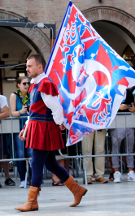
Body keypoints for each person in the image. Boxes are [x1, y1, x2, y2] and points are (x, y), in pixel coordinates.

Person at [15, 54, 87, 212]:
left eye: (30, 66)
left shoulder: (45, 83)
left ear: (39, 67)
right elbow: (34, 111)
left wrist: (60, 123)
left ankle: (32, 201)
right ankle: (77, 189)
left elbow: (55, 107)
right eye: (26, 66)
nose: (27, 69)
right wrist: (26, 128)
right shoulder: (36, 84)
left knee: (36, 163)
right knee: (50, 163)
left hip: (44, 128)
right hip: (39, 126)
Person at [109, 88, 135, 183]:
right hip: (116, 124)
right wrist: (119, 108)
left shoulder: (130, 93)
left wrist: (132, 109)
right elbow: (108, 107)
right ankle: (116, 172)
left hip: (129, 123)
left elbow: (134, 107)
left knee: (129, 148)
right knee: (115, 148)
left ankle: (131, 172)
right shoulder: (112, 92)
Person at [10, 76, 32, 188]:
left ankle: (33, 179)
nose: (26, 85)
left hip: (30, 127)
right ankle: (23, 179)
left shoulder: (31, 95)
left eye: (28, 83)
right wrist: (21, 111)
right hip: (18, 127)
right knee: (20, 154)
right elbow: (12, 113)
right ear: (18, 85)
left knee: (31, 153)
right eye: (24, 83)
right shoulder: (14, 95)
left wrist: (29, 112)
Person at [0, 95, 15, 187]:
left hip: (1, 130)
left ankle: (7, 178)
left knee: (3, 155)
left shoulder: (1, 98)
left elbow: (6, 113)